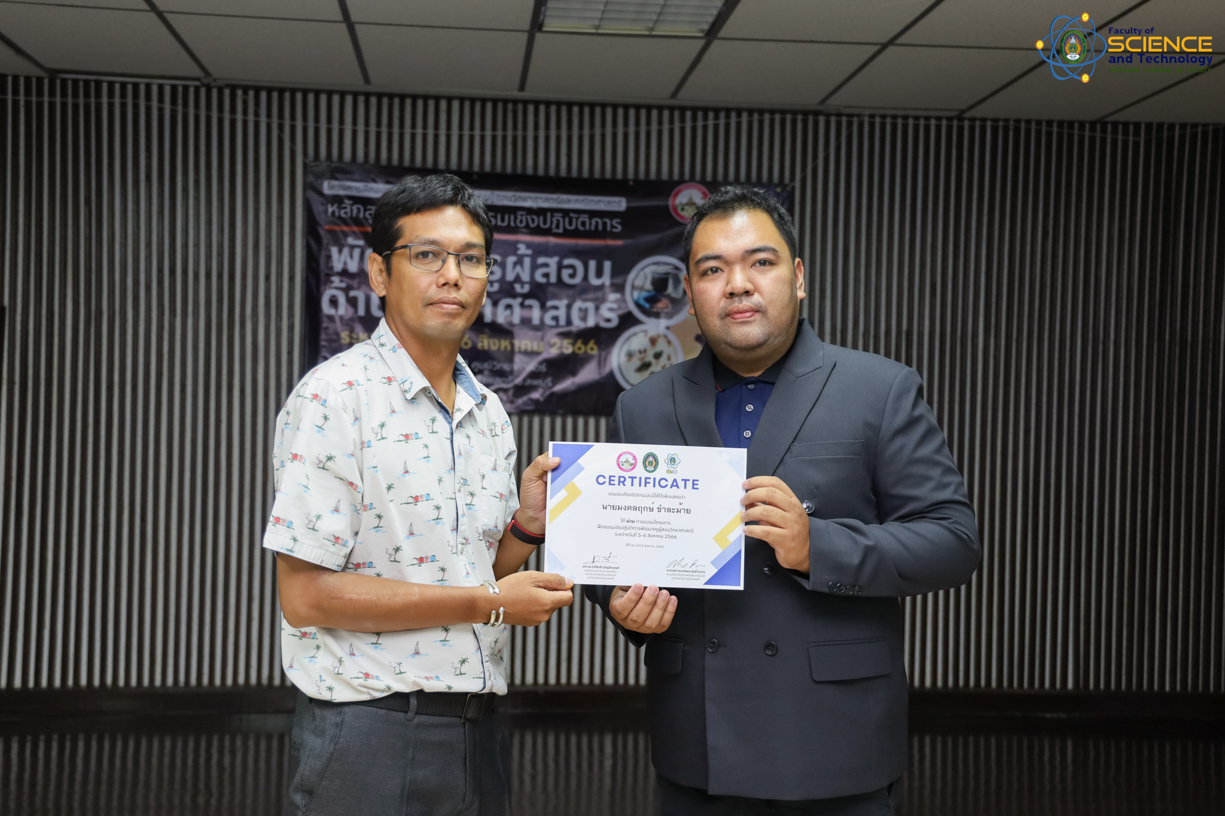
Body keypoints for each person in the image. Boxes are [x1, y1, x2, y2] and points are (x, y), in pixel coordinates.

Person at [586, 185, 981, 815]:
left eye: (760, 262)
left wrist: (816, 545)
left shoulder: (879, 389)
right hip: (697, 746)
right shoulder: (644, 406)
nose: (737, 284)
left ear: (798, 278)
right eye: (712, 270)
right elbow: (605, 558)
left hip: (834, 741)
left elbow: (952, 542)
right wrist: (619, 603)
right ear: (689, 291)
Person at [264, 173, 573, 816]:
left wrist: (526, 528)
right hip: (368, 729)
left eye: (471, 259)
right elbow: (305, 596)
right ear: (379, 273)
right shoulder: (334, 398)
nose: (452, 275)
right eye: (427, 255)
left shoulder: (489, 413)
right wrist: (493, 604)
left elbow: (473, 571)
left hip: (477, 729)